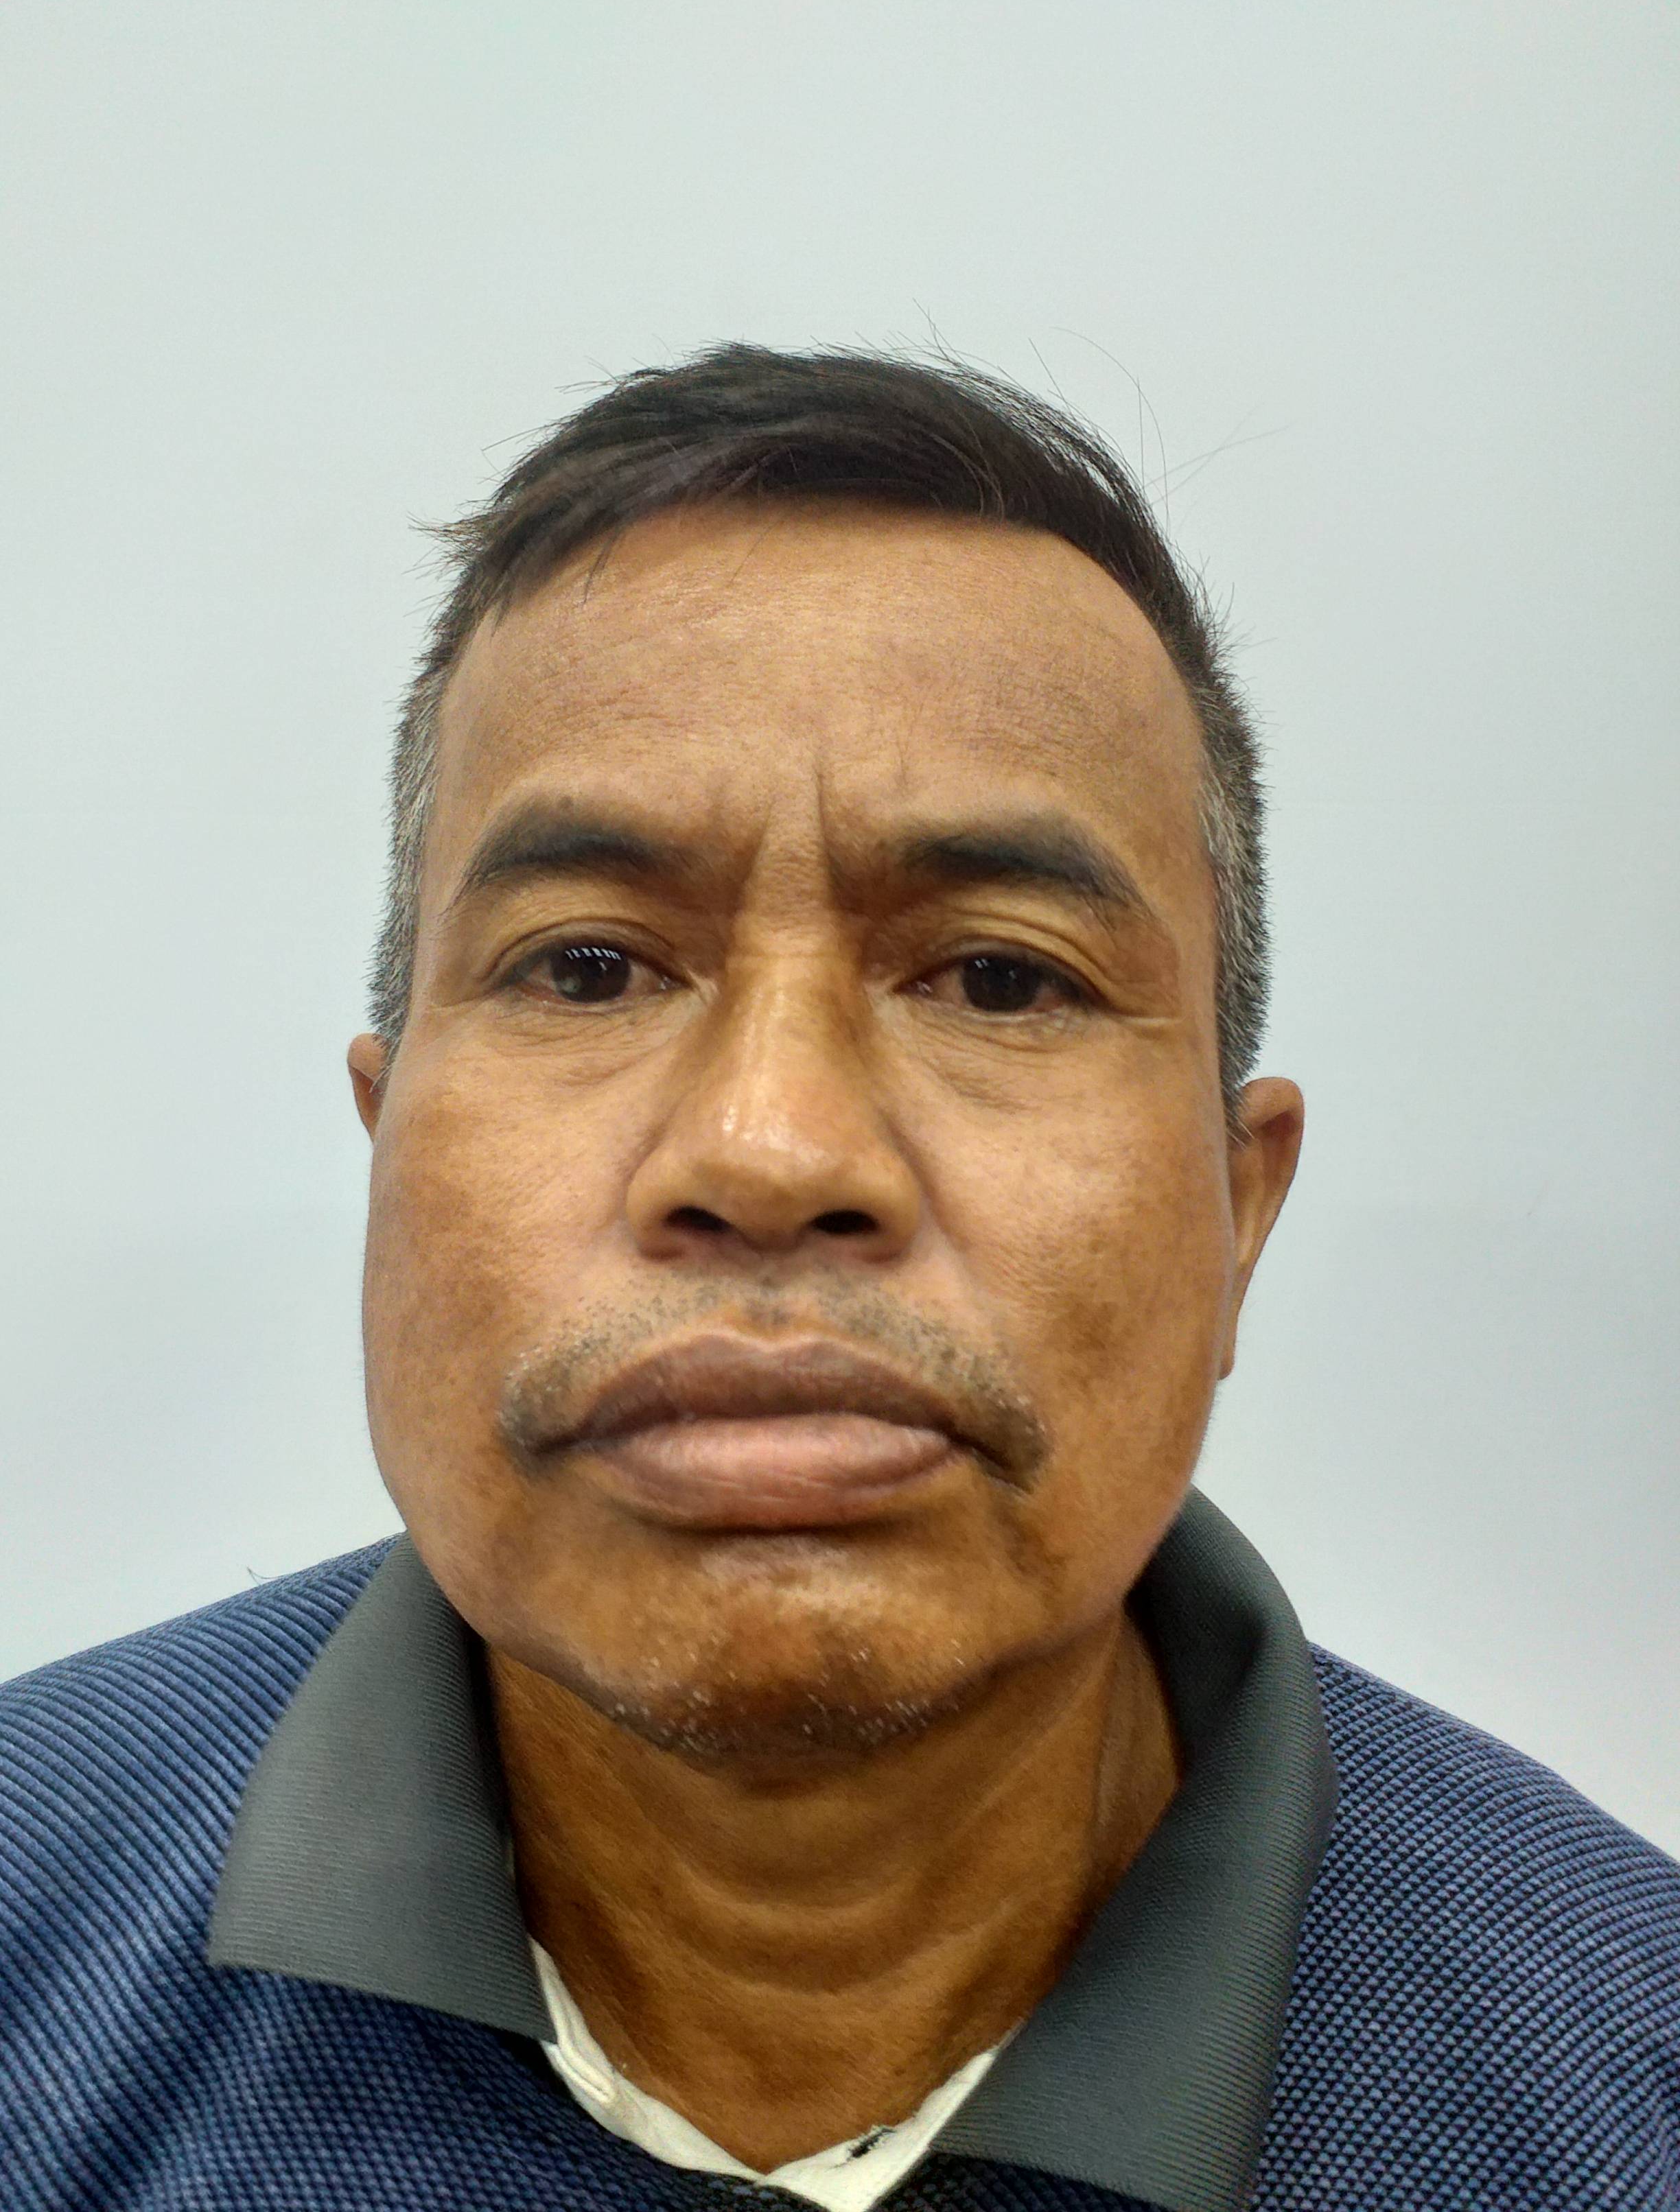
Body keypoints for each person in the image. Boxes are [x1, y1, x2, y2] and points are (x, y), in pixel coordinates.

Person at [1, 346, 1675, 2212]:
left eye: (1001, 979)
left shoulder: (1631, 2087)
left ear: (1238, 1211)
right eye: (587, 968)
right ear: (385, 1151)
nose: (773, 1153)